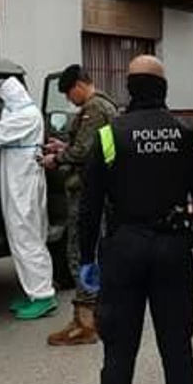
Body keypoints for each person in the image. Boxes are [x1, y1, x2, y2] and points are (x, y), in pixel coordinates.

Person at [76, 55, 193, 384]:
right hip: (173, 250)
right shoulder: (186, 135)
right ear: (163, 89)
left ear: (129, 87)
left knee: (119, 354)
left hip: (122, 252)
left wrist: (87, 259)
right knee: (178, 351)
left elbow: (89, 206)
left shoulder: (107, 136)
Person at [40, 65, 119, 346]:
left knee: (80, 253)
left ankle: (86, 323)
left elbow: (85, 151)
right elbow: (94, 147)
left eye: (68, 93)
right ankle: (95, 316)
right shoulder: (105, 105)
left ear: (78, 86)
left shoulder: (94, 109)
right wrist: (64, 148)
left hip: (87, 192)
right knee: (93, 251)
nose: (69, 100)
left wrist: (57, 159)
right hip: (99, 191)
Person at [0, 77, 56, 321]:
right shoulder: (20, 112)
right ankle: (33, 291)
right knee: (23, 235)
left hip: (22, 181)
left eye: (3, 99)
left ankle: (43, 295)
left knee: (26, 235)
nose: (1, 104)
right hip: (19, 177)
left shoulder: (26, 115)